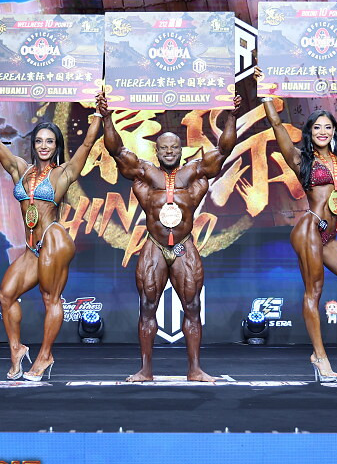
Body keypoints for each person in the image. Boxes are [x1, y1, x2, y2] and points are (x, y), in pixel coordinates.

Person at [96, 92, 241, 382]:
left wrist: (233, 116)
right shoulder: (144, 173)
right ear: (157, 151)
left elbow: (224, 150)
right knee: (147, 307)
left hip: (184, 246)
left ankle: (195, 369)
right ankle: (145, 370)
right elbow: (117, 151)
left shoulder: (196, 172)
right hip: (155, 245)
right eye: (163, 148)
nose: (169, 152)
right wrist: (107, 118)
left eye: (174, 147)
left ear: (182, 150)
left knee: (192, 307)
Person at [257, 68, 337, 382]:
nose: (323, 131)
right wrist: (264, 91)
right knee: (314, 291)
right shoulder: (301, 160)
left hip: (329, 235)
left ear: (335, 131)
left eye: (328, 127)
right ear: (309, 132)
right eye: (317, 127)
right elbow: (276, 125)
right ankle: (319, 356)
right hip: (309, 228)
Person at [0, 94, 103, 381]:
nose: (44, 146)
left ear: (57, 146)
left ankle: (45, 356)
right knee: (6, 295)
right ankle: (17, 350)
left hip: (54, 240)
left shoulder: (64, 173)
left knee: (50, 298)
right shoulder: (20, 169)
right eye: (39, 141)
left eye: (50, 142)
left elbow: (87, 144)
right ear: (33, 145)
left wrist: (99, 115)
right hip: (33, 247)